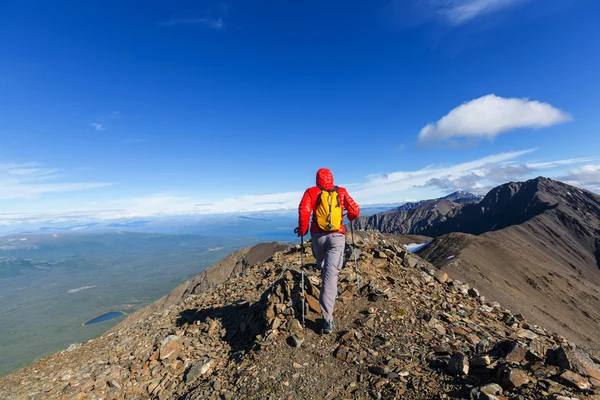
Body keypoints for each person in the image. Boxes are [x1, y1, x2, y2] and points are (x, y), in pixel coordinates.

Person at [297, 168, 360, 334]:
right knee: (329, 275)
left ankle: (328, 310)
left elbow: (304, 211)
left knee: (324, 268)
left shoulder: (311, 192)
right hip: (337, 236)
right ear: (331, 178)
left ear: (317, 179)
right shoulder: (341, 192)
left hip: (318, 236)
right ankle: (328, 316)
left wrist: (303, 231)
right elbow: (354, 211)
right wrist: (350, 217)